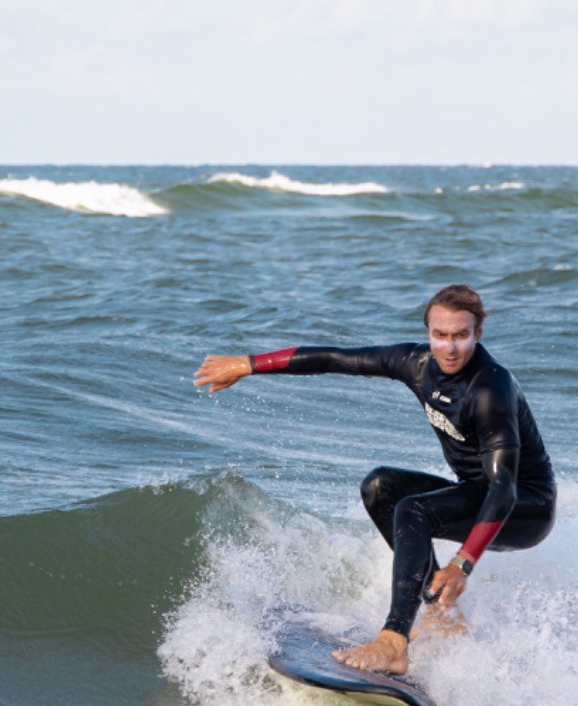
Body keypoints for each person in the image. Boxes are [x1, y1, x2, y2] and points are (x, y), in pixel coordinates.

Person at [192, 284, 556, 675]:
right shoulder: (414, 362)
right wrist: (249, 363)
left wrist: (462, 564)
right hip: (477, 492)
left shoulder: (490, 389)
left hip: (524, 507)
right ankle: (440, 615)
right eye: (441, 335)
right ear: (428, 332)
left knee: (414, 509)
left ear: (477, 334)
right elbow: (335, 358)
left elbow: (502, 487)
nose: (450, 348)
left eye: (461, 336)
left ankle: (394, 641)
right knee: (380, 487)